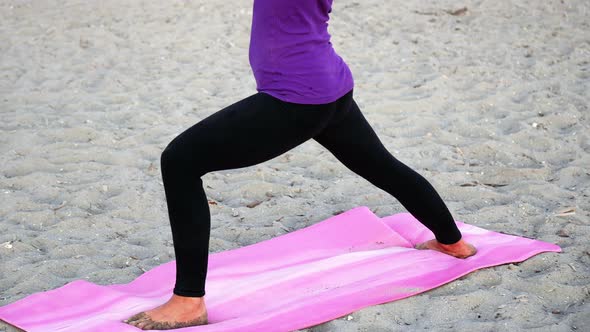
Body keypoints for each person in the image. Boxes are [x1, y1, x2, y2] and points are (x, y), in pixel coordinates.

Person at [124, 0, 476, 329]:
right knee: (382, 166)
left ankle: (188, 300)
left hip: (296, 99)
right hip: (330, 86)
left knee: (179, 161)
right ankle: (452, 242)